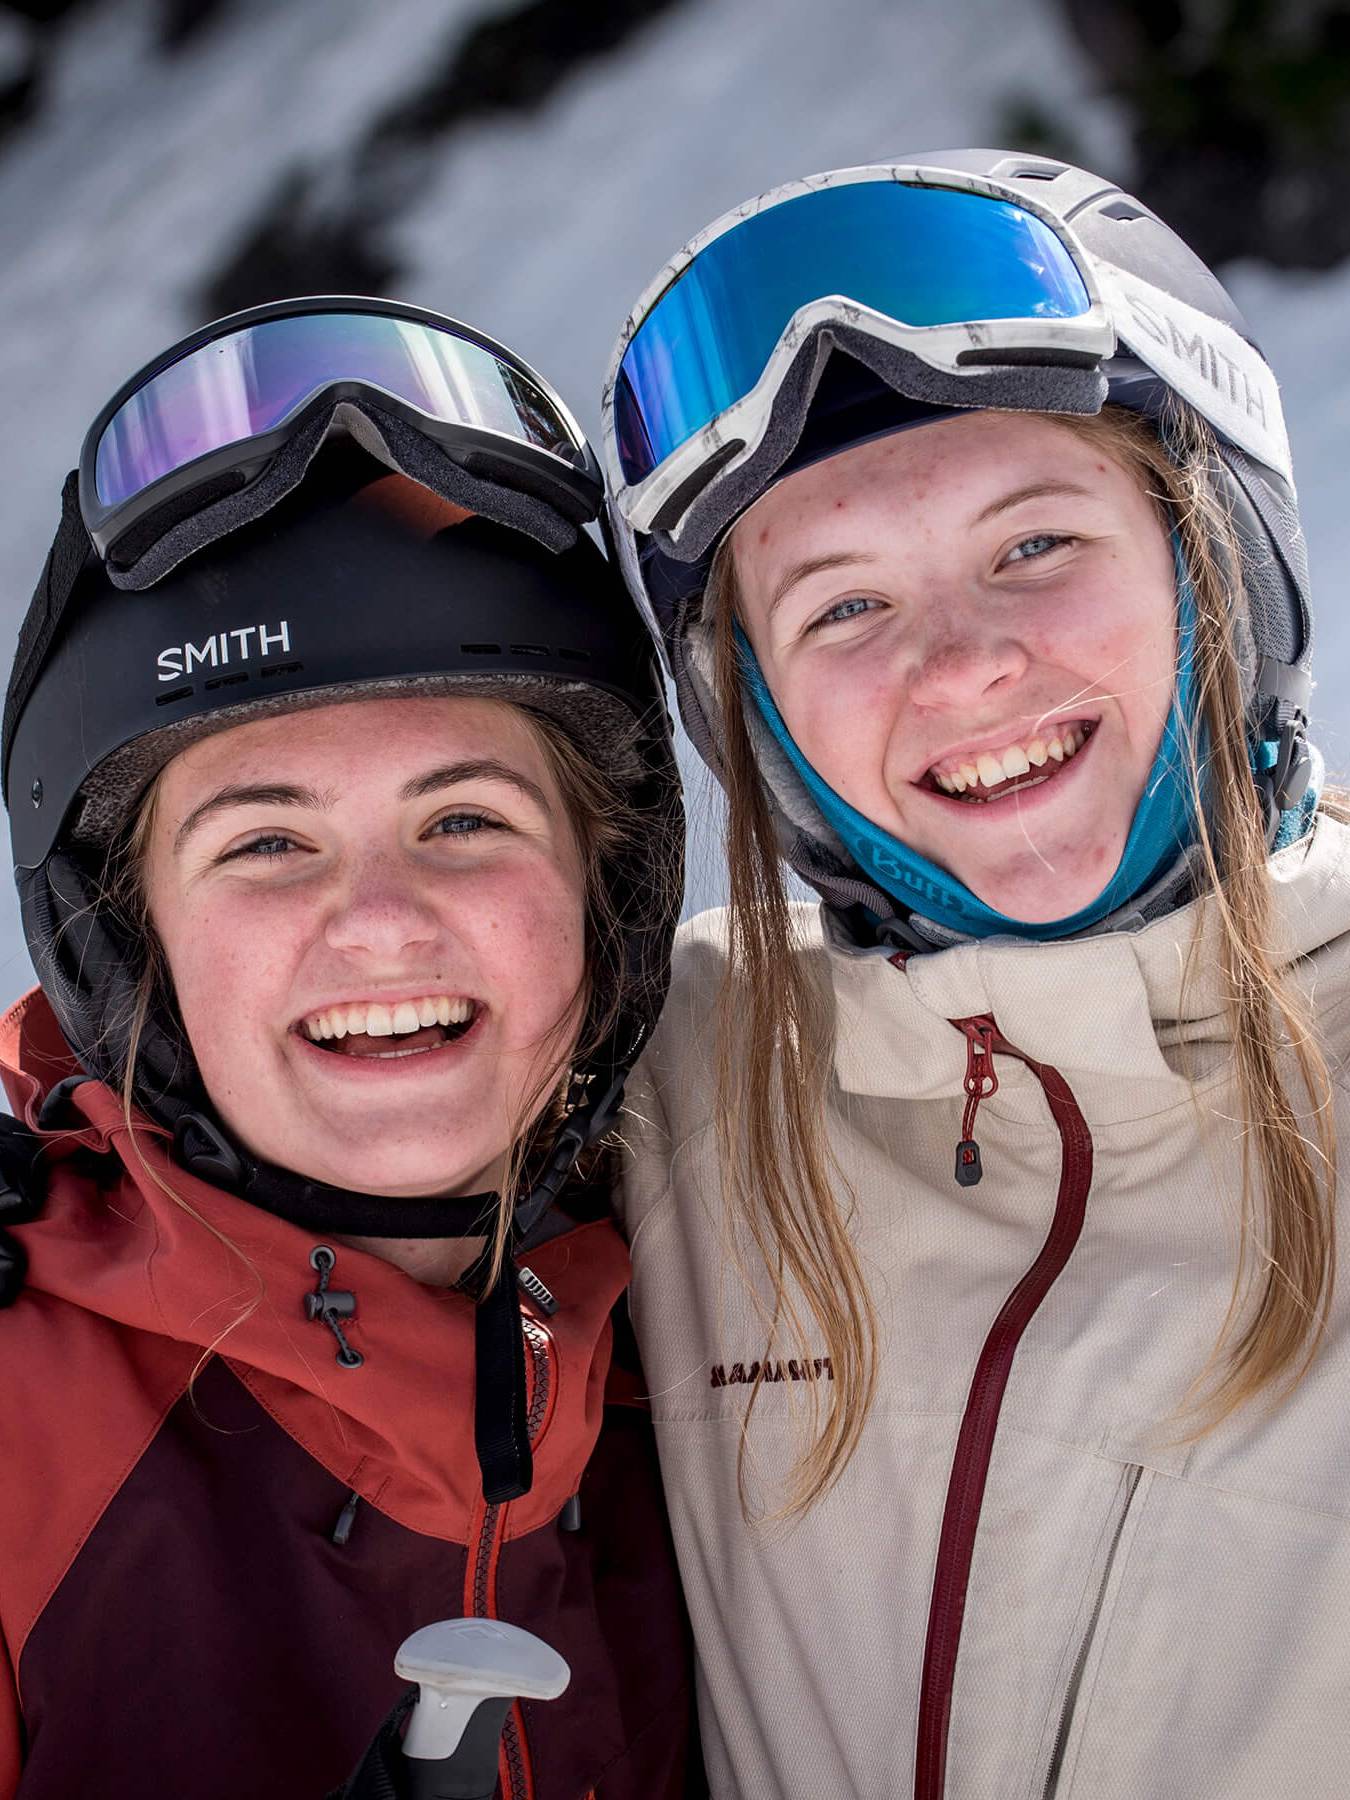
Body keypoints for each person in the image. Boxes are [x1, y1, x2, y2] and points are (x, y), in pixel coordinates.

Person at [602, 152, 1350, 1798]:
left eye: (1031, 546)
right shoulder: (666, 1090)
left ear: (1211, 556)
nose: (956, 662)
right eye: (843, 603)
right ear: (760, 713)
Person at [0, 298, 695, 1799]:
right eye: (264, 843)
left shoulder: (729, 1310)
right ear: (136, 943)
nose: (378, 924)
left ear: (603, 887)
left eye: (464, 821)